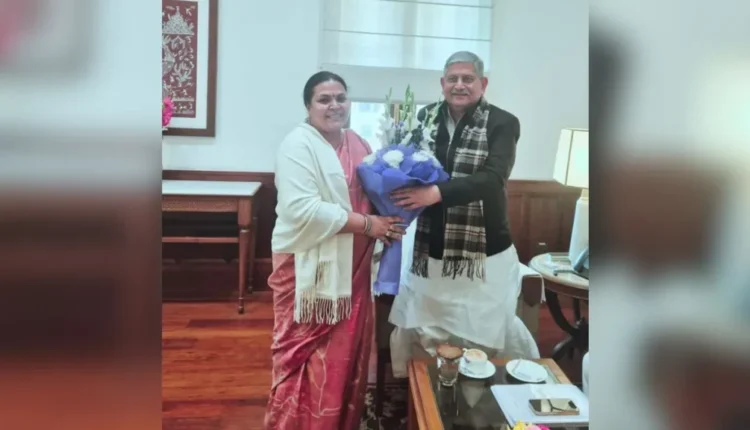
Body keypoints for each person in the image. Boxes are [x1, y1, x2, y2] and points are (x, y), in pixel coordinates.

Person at [264, 71, 404, 429]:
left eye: (341, 98)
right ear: (308, 106)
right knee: (303, 356)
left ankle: (338, 420)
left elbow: (375, 193)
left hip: (353, 268)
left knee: (345, 354)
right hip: (306, 266)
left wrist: (394, 215)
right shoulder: (297, 146)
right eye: (324, 99)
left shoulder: (358, 143)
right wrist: (369, 225)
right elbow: (303, 210)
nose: (334, 105)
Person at [388, 51, 540, 377]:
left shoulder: (503, 122)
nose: (459, 85)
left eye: (467, 79)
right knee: (428, 331)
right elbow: (411, 167)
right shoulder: (425, 117)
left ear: (483, 83)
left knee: (481, 334)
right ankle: (431, 390)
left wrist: (436, 193)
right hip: (432, 246)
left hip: (485, 252)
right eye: (453, 79)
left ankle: (480, 391)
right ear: (442, 83)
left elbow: (493, 178)